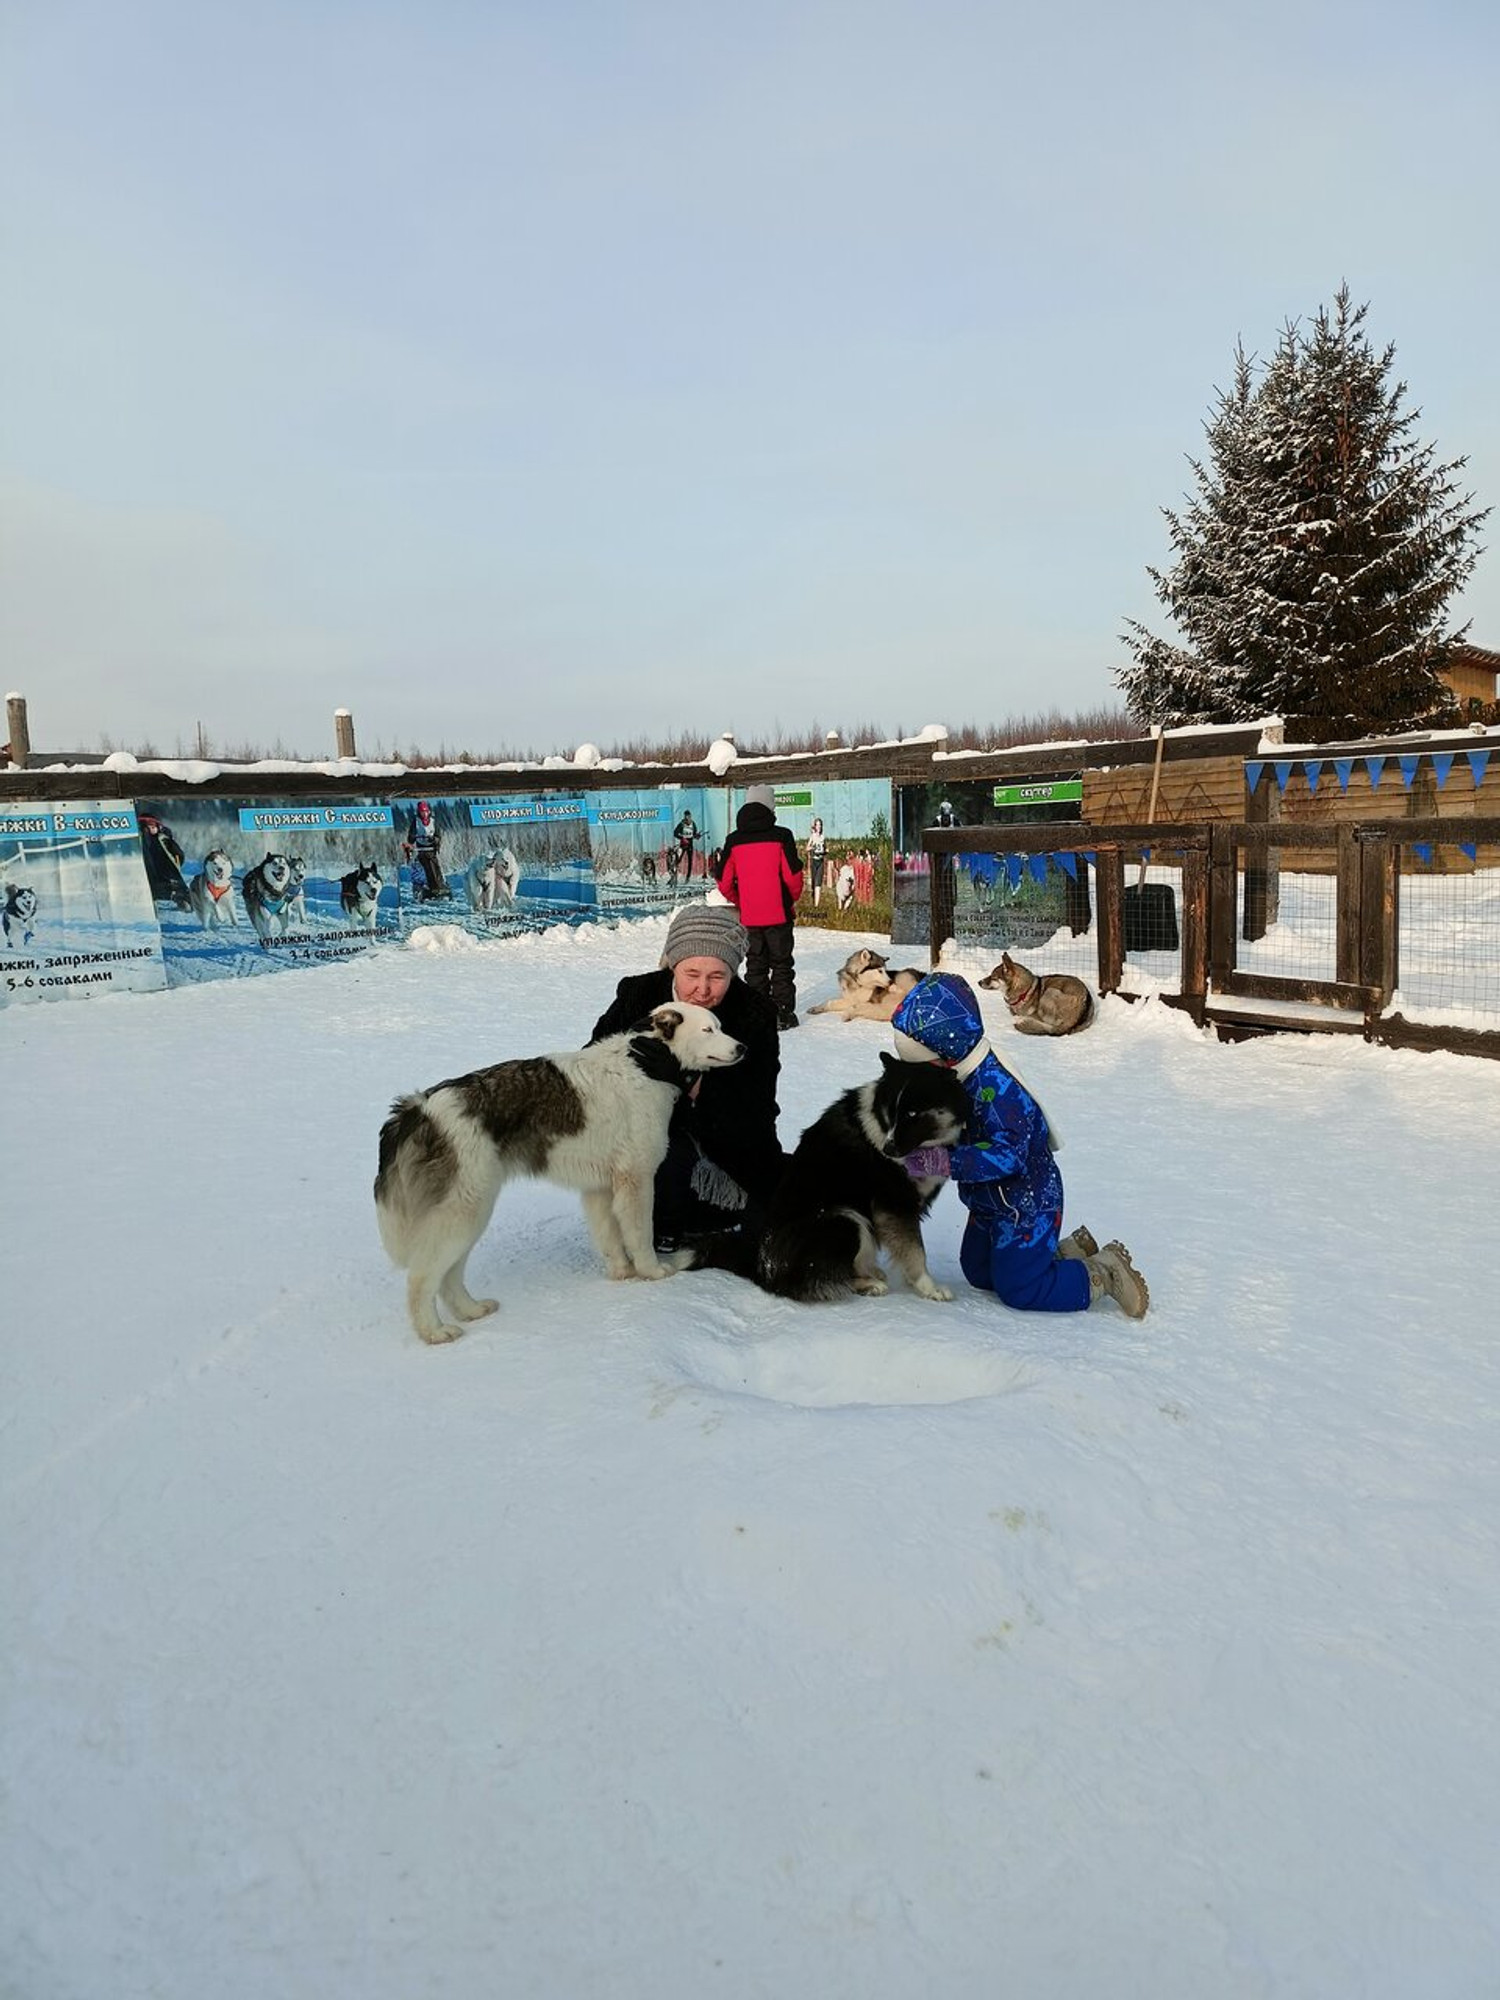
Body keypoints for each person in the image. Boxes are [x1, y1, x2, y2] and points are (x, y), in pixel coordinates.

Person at [890, 972, 1149, 1317]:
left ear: (946, 1055)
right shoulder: (960, 1077)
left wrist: (943, 1161)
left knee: (1020, 1289)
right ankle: (1061, 1253)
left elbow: (1007, 1156)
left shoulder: (999, 1096)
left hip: (1025, 1204)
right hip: (988, 1203)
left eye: (923, 1066)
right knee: (979, 1272)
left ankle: (1103, 1271)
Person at [589, 903, 786, 1251]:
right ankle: (654, 1220)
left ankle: (695, 1216)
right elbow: (590, 1064)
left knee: (782, 1198)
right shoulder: (639, 996)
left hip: (724, 1143)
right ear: (673, 965)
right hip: (638, 1132)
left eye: (717, 976)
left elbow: (756, 1107)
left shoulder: (754, 1014)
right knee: (661, 1152)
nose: (703, 989)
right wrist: (625, 1057)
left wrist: (690, 1082)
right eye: (691, 974)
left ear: (733, 972)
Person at [715, 800, 804, 1029]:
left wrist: (741, 900)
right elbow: (793, 876)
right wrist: (788, 899)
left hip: (750, 916)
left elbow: (723, 881)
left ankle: (757, 1012)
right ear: (770, 813)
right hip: (779, 914)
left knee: (755, 965)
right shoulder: (782, 836)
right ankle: (783, 1013)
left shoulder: (733, 841)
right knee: (782, 964)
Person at [403, 800, 446, 901]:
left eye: (426, 811)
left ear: (429, 812)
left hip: (431, 849)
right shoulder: (415, 822)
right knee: (427, 867)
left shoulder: (434, 822)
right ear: (419, 812)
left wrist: (434, 840)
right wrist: (413, 837)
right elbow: (410, 838)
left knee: (436, 867)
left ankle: (439, 887)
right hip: (420, 849)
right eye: (422, 812)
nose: (424, 814)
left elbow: (438, 836)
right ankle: (432, 888)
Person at [807, 817, 827, 905]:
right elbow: (807, 848)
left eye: (820, 825)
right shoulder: (812, 836)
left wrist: (826, 851)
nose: (819, 827)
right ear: (815, 826)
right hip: (814, 861)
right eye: (817, 825)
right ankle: (813, 898)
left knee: (818, 884)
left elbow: (825, 848)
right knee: (814, 884)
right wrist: (812, 847)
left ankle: (816, 906)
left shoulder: (823, 837)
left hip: (821, 861)